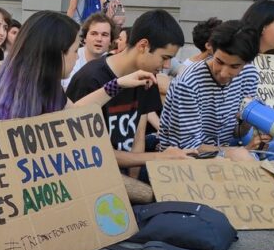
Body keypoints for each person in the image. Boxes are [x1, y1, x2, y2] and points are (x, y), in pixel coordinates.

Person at [0, 11, 158, 237]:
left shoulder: (45, 86)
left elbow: (76, 112)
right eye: (72, 50)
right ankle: (151, 198)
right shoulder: (8, 99)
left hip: (18, 193)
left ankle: (150, 199)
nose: (76, 57)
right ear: (55, 55)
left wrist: (117, 84)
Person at [66, 9, 193, 177]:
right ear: (143, 46)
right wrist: (160, 157)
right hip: (94, 177)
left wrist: (135, 182)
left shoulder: (147, 76)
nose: (168, 65)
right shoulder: (90, 79)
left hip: (127, 175)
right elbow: (91, 153)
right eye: (165, 57)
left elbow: (138, 137)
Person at [158, 20, 260, 161]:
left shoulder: (249, 75)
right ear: (211, 50)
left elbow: (237, 133)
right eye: (219, 62)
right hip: (181, 162)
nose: (224, 73)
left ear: (247, 62)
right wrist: (233, 152)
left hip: (220, 156)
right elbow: (188, 148)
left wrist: (250, 120)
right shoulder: (189, 83)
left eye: (234, 66)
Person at [62, 13, 118, 90]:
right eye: (94, 34)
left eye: (104, 35)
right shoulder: (70, 57)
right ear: (84, 38)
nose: (99, 39)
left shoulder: (113, 64)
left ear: (111, 41)